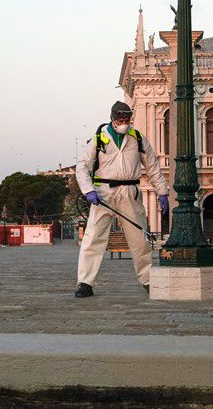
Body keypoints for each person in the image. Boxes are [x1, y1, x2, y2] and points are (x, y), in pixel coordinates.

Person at [74, 101, 169, 298]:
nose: (124, 123)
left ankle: (148, 280)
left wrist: (162, 191)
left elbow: (152, 166)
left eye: (127, 120)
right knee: (93, 238)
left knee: (139, 239)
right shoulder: (99, 139)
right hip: (102, 194)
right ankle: (85, 282)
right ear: (112, 119)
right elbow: (82, 166)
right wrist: (88, 190)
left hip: (130, 192)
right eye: (120, 120)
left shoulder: (137, 138)